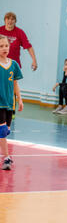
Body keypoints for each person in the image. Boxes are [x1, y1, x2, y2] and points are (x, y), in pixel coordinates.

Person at [0, 35, 23, 170]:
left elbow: (15, 84)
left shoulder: (13, 64)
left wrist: (20, 99)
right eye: (1, 46)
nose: (4, 48)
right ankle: (7, 158)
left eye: (6, 46)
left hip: (9, 102)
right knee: (2, 131)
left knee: (6, 131)